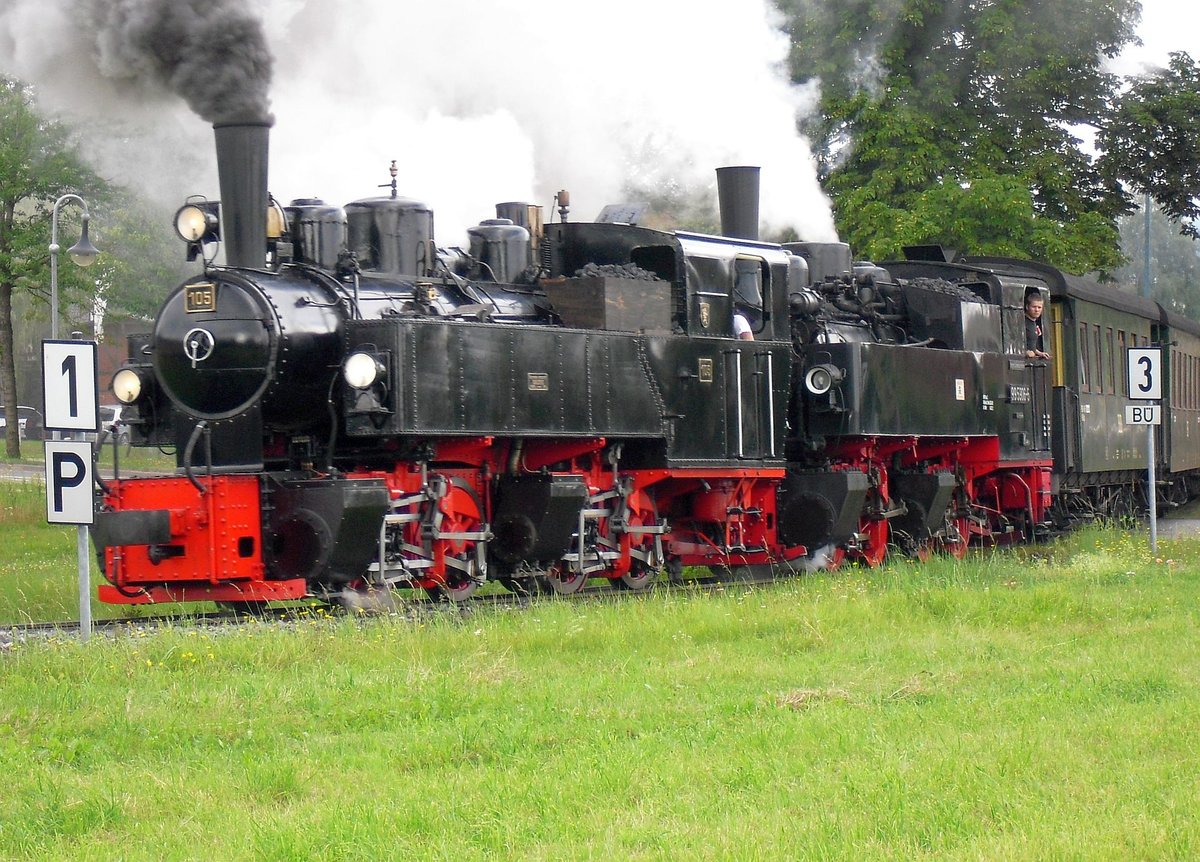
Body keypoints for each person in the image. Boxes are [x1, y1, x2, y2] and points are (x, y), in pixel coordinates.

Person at [1024, 292, 1049, 360]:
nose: (1037, 310)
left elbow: (1031, 345)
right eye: (1034, 307)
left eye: (1039, 307)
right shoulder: (1022, 322)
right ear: (1027, 307)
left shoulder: (1034, 323)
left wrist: (1040, 353)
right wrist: (1025, 352)